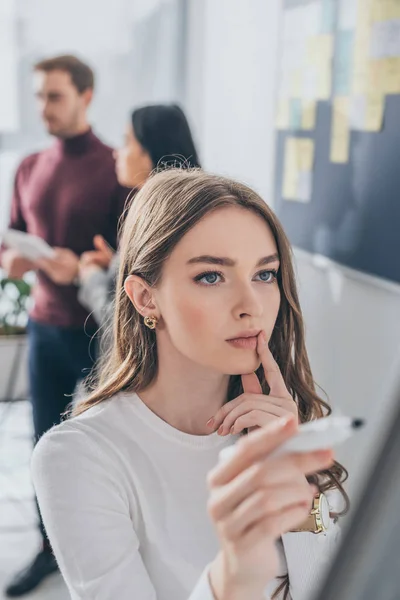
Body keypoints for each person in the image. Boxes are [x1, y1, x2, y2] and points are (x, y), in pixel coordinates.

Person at [31, 169, 348, 600]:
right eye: (211, 277)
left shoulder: (279, 425)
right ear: (146, 298)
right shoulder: (79, 456)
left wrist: (299, 491)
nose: (251, 306)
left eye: (265, 275)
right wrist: (234, 573)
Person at [1, 55, 129, 597]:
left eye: (54, 96)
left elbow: (129, 259)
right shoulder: (28, 166)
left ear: (86, 96)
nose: (43, 108)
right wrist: (15, 261)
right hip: (45, 328)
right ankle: (47, 548)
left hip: (101, 331)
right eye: (38, 97)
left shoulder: (117, 167)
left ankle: (113, 551)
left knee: (109, 449)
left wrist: (75, 266)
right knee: (42, 446)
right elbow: (13, 233)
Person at [38, 104, 201, 348]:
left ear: (149, 154)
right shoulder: (189, 211)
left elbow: (124, 320)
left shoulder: (157, 223)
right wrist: (116, 264)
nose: (117, 153)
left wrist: (88, 277)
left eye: (126, 142)